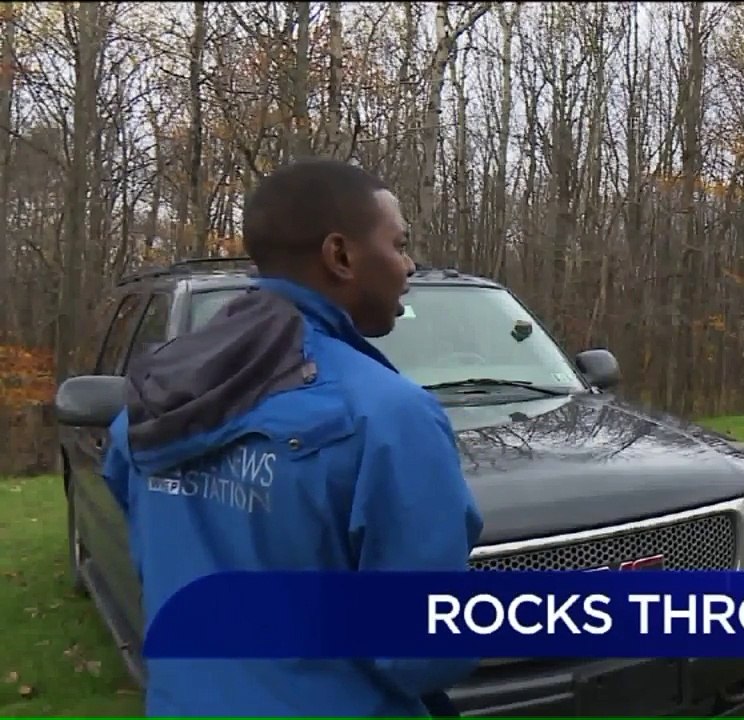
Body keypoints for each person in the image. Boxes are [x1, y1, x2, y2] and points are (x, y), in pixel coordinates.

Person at [102, 158, 484, 716]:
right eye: (398, 245)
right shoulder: (388, 416)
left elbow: (143, 527)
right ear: (341, 256)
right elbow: (422, 650)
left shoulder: (157, 396)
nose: (408, 265)